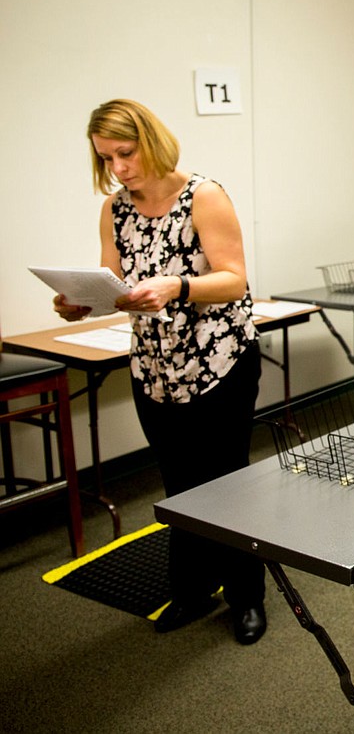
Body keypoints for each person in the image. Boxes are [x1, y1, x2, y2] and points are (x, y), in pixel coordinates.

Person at [53, 99, 266, 644]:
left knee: (226, 483)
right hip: (155, 367)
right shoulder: (115, 209)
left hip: (219, 361)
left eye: (126, 153)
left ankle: (246, 596)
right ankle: (193, 589)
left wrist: (177, 285)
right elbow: (117, 283)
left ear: (151, 141)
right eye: (107, 159)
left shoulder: (204, 195)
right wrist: (81, 303)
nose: (119, 168)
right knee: (179, 487)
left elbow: (235, 281)